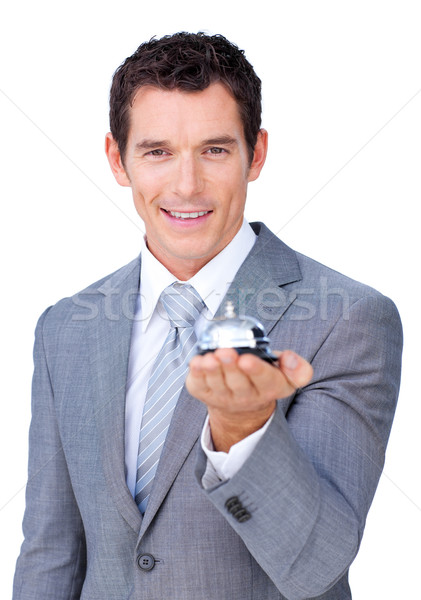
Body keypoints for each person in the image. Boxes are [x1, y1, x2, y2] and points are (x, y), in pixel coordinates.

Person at [13, 32, 403, 600]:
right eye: (158, 151)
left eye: (215, 150)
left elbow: (318, 563)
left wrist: (245, 433)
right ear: (117, 160)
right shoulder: (64, 330)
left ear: (257, 153)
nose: (186, 184)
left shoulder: (348, 320)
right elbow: (50, 553)